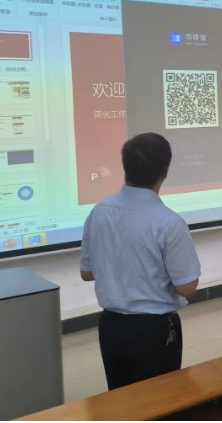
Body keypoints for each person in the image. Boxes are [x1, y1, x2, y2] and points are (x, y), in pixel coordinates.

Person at [80, 132, 201, 390]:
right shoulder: (169, 223)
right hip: (153, 332)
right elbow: (187, 287)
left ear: (125, 167)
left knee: (120, 400)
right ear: (165, 172)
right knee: (160, 401)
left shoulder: (99, 211)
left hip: (110, 327)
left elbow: (87, 273)